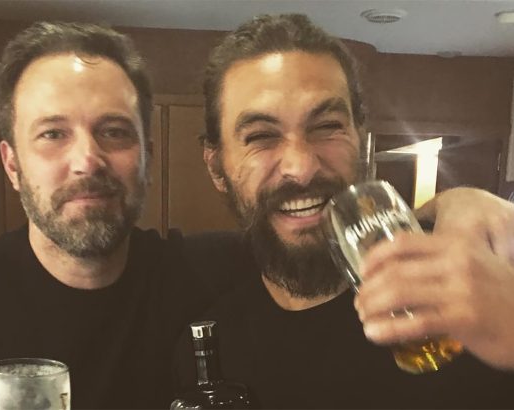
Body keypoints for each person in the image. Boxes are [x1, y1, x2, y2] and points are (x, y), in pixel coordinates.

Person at [174, 13, 514, 408]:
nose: (301, 167)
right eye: (261, 136)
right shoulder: (207, 355)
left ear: (359, 137)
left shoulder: (474, 294)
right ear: (216, 166)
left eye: (327, 126)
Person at [0, 21, 211, 409]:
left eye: (114, 131)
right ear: (12, 165)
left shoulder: (208, 281)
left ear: (147, 157)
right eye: (53, 134)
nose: (87, 161)